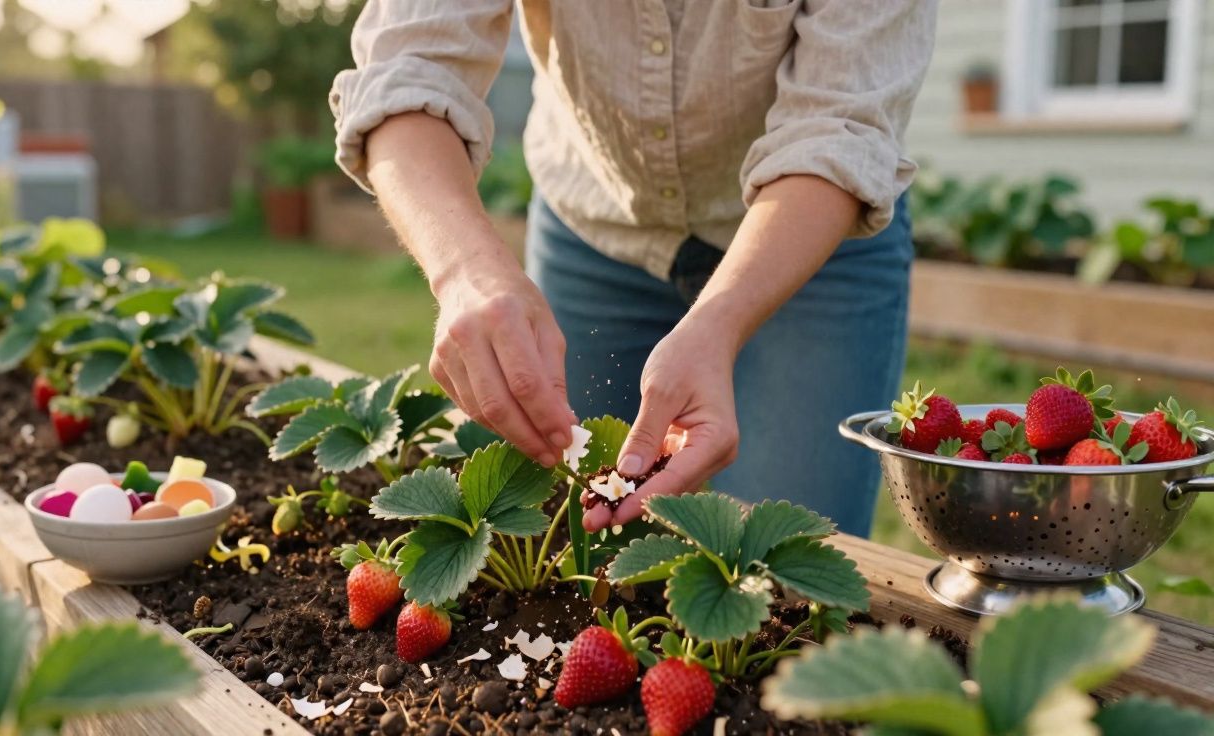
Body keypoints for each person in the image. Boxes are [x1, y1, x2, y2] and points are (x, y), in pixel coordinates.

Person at [330, 1, 937, 538]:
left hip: (811, 242)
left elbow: (838, 127)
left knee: (781, 565)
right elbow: (406, 66)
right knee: (574, 535)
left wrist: (719, 323)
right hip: (592, 231)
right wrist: (465, 273)